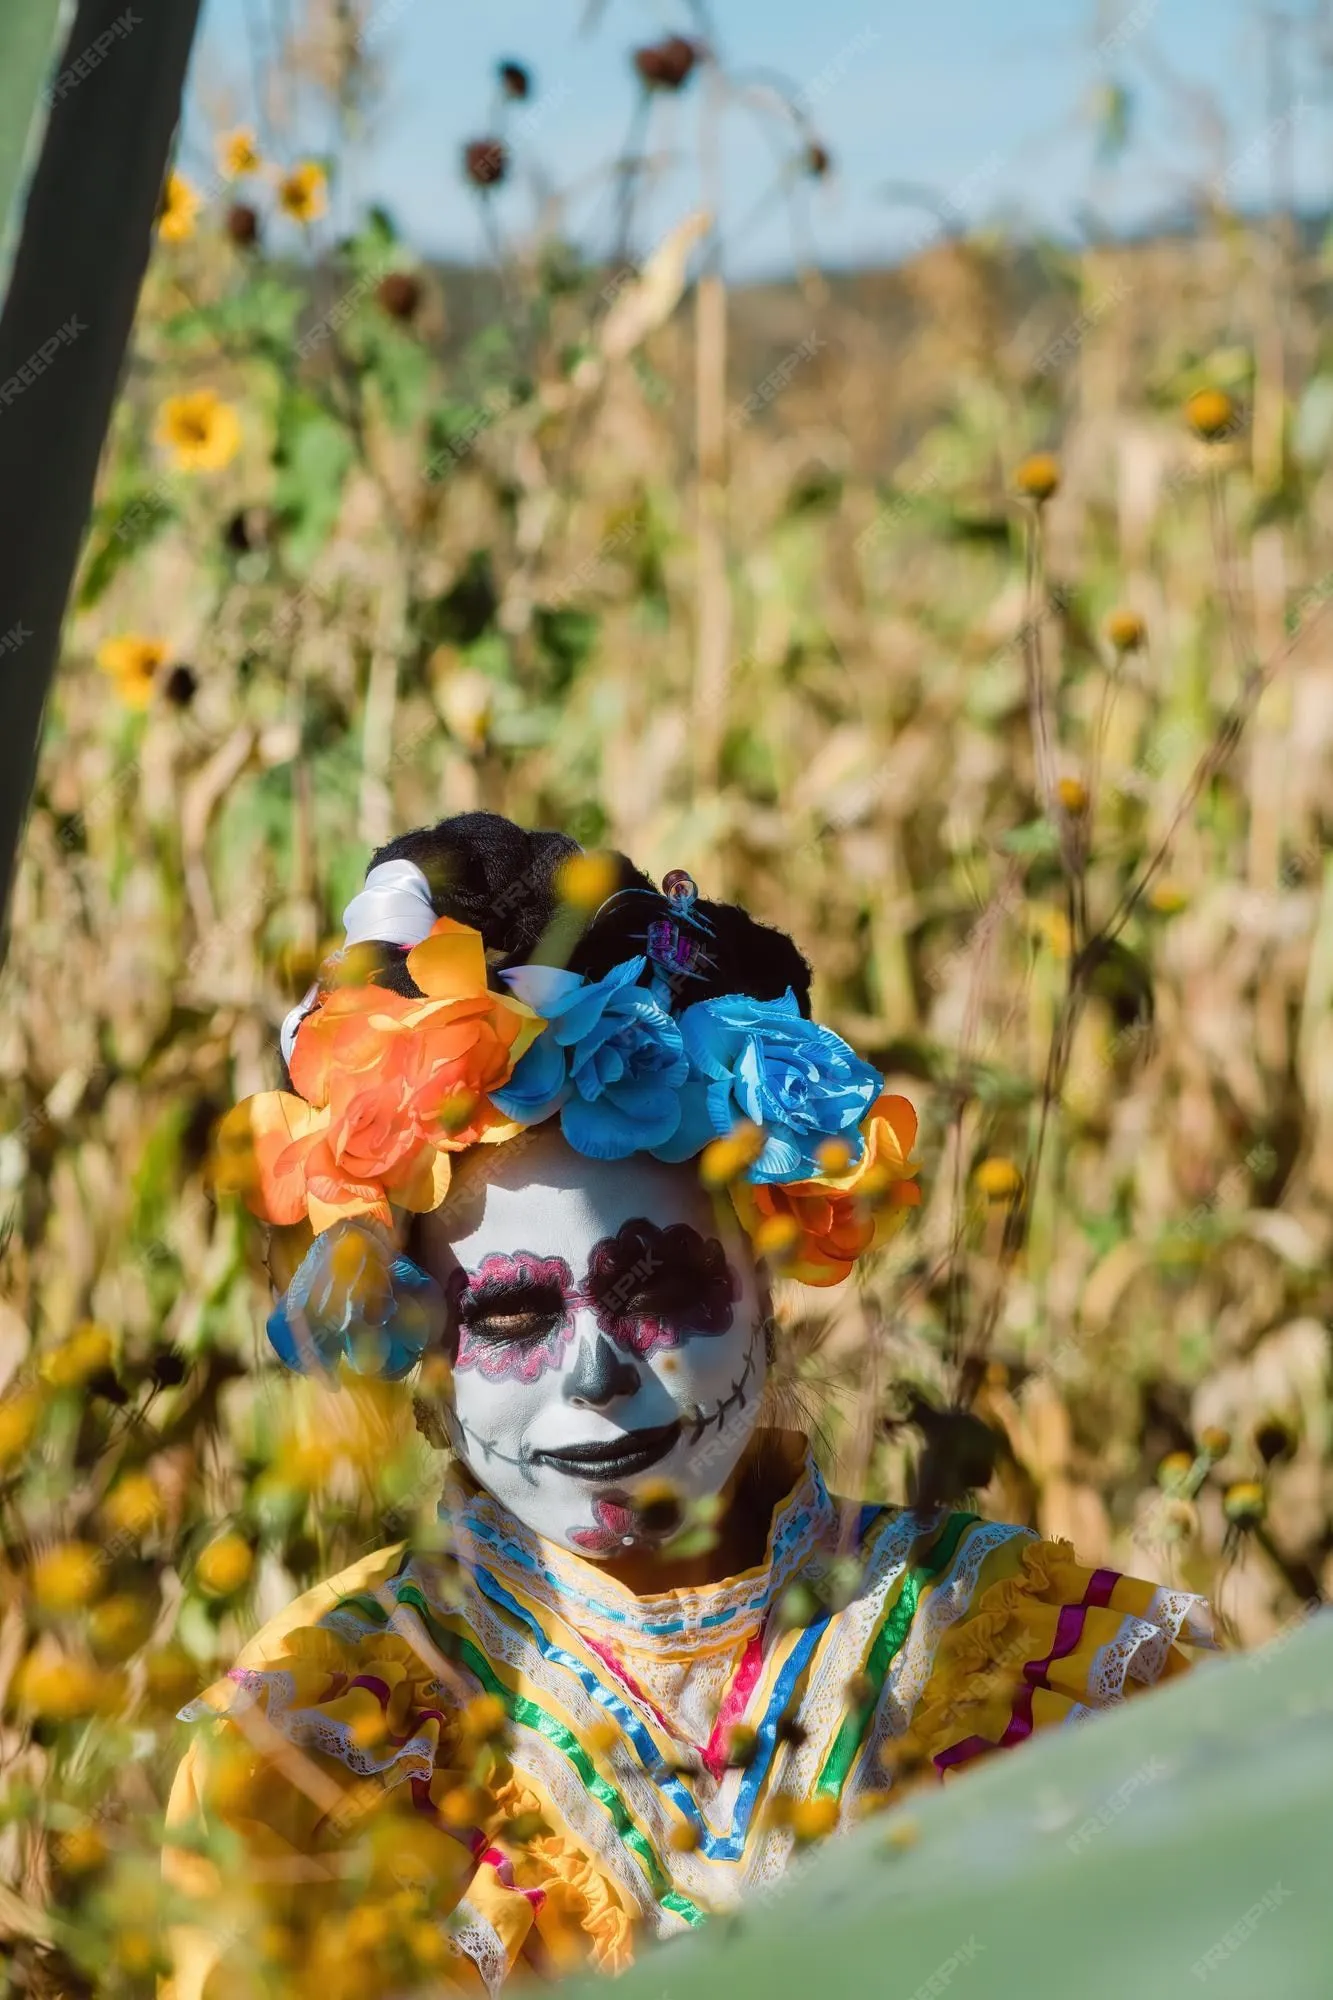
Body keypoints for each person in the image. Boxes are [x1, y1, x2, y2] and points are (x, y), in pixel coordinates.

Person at [163, 813, 1214, 1997]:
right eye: (511, 1315)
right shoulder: (316, 1729)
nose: (597, 1371)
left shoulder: (1022, 1649)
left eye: (657, 1284)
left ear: (767, 1283)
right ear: (426, 1346)